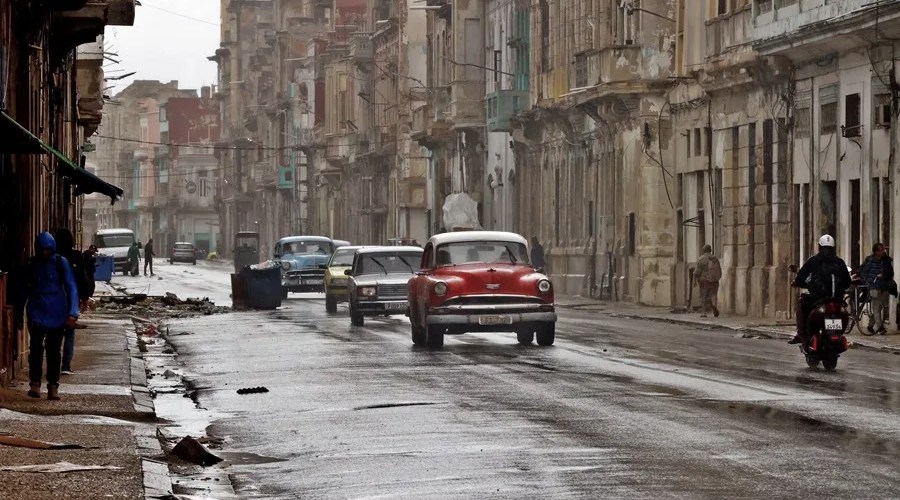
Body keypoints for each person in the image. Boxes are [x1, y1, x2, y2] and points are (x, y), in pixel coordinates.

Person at [13, 232, 80, 400]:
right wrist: (19, 314)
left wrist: (73, 313)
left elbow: (71, 287)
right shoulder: (32, 264)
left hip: (57, 312)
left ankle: (52, 385)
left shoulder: (60, 262)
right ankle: (35, 383)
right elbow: (23, 290)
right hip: (36, 311)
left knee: (53, 351)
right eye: (41, 250)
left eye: (47, 250)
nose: (44, 254)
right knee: (35, 349)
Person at [790, 234, 852, 344]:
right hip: (837, 300)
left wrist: (806, 285)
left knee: (801, 305)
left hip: (818, 299)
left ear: (819, 247)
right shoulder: (840, 262)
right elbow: (847, 283)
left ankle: (801, 335)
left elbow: (800, 279)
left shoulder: (813, 261)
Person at [53, 228, 89, 375]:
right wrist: (84, 297)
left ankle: (55, 364)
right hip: (70, 300)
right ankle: (66, 365)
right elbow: (82, 277)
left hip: (54, 299)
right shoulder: (75, 256)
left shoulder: (53, 257)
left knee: (55, 332)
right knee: (69, 331)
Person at [859, 242, 894, 335]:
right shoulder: (869, 260)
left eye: (883, 249)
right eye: (881, 250)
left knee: (881, 307)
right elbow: (862, 270)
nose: (883, 251)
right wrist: (864, 279)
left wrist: (884, 275)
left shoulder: (886, 260)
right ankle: (880, 328)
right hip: (873, 287)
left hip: (884, 287)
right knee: (876, 307)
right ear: (876, 252)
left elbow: (891, 273)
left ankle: (870, 325)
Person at [695, 244, 722, 318]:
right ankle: (714, 305)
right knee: (713, 294)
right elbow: (719, 270)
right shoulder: (715, 259)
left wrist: (696, 278)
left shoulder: (701, 259)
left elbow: (697, 271)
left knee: (703, 296)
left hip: (704, 280)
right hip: (714, 280)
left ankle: (703, 312)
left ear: (703, 250)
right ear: (711, 250)